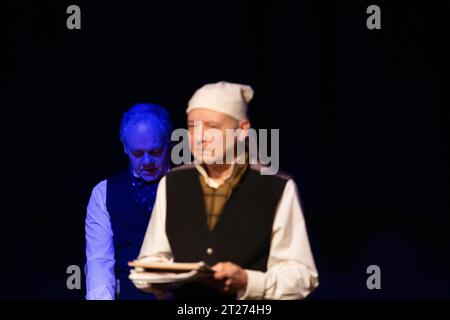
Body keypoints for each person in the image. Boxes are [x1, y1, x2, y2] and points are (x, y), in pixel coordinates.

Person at [132, 81, 319, 300]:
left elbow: (302, 275)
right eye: (192, 126)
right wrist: (155, 278)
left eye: (211, 126)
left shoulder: (276, 187)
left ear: (242, 131)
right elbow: (150, 260)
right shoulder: (173, 183)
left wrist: (249, 281)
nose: (199, 137)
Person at [85, 103, 172, 299]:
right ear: (125, 148)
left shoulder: (192, 184)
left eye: (156, 151)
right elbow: (99, 261)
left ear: (169, 143)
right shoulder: (103, 193)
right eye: (138, 154)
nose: (148, 161)